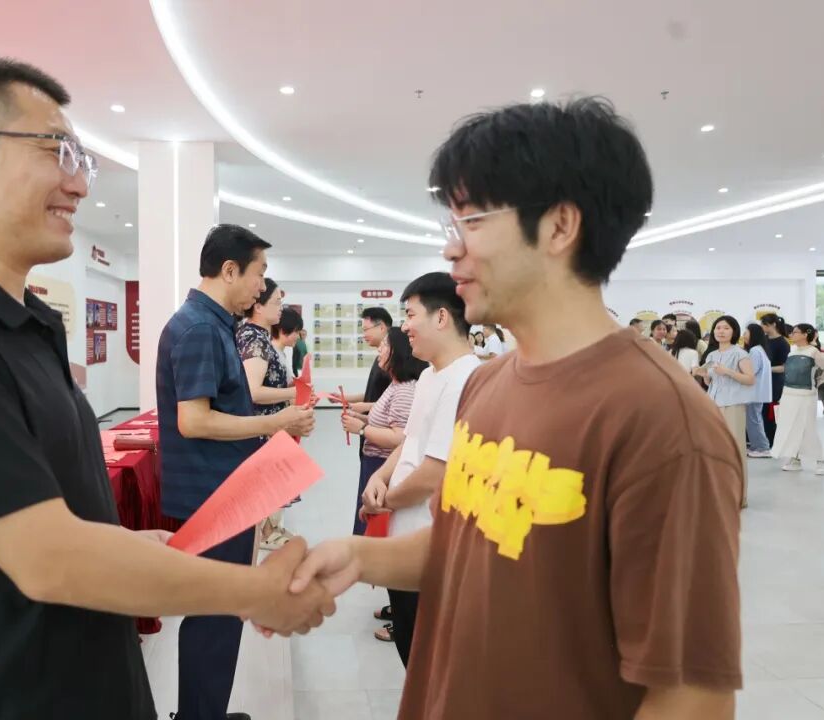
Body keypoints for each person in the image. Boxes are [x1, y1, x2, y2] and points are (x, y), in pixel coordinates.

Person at [0, 56, 332, 720]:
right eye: (55, 152)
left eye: (82, 161)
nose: (77, 183)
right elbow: (45, 558)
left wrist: (123, 542)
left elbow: (37, 510)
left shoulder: (22, 325)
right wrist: (253, 592)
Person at [291, 97, 742, 719]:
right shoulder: (487, 384)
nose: (451, 252)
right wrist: (359, 556)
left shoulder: (663, 423)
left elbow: (692, 694)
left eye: (472, 222)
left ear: (559, 226)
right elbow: (464, 544)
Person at [156, 224, 319, 720]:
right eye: (259, 274)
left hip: (224, 489)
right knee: (215, 615)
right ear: (229, 270)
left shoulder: (214, 324)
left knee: (221, 615)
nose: (262, 287)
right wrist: (277, 422)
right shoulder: (200, 328)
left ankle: (203, 711)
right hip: (214, 495)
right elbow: (194, 420)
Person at [358, 272, 481, 665]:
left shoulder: (466, 379)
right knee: (410, 645)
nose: (405, 327)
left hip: (431, 543)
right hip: (404, 535)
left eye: (411, 315)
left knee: (426, 657)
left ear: (441, 317)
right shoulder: (429, 375)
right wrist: (380, 476)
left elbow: (435, 472)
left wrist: (384, 500)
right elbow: (411, 441)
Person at [235, 280, 304, 550]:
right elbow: (252, 391)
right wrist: (293, 393)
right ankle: (265, 533)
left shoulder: (257, 336)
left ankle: (268, 530)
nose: (280, 308)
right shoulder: (254, 339)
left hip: (267, 426)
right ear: (258, 306)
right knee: (262, 488)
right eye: (277, 302)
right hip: (261, 428)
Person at [341, 327, 426, 538]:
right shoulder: (395, 384)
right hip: (374, 463)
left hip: (383, 466)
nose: (379, 349)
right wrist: (361, 418)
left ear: (398, 351)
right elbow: (385, 421)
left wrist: (362, 429)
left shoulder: (404, 390)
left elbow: (398, 438)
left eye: (385, 345)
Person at [694, 315, 755, 506]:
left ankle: (739, 496)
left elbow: (750, 379)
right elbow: (710, 381)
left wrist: (727, 371)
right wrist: (704, 374)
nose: (721, 331)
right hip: (713, 405)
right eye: (718, 327)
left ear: (734, 331)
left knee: (735, 449)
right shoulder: (711, 355)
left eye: (726, 328)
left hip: (733, 405)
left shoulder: (740, 353)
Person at [772, 323, 824, 475]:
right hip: (788, 394)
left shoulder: (813, 352)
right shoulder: (792, 351)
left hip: (806, 395)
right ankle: (795, 459)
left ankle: (820, 461)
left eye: (795, 332)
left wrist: (818, 381)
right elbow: (787, 370)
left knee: (808, 427)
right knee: (791, 427)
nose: (792, 335)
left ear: (805, 334)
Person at [337, 307, 393, 414]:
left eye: (366, 329)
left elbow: (394, 402)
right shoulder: (380, 358)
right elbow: (373, 395)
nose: (364, 335)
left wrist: (363, 410)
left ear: (381, 328)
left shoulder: (393, 361)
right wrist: (344, 398)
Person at [742, 323, 773, 458]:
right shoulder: (760, 349)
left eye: (746, 332)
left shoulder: (755, 351)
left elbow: (751, 371)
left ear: (753, 334)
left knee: (754, 420)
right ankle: (756, 446)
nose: (744, 335)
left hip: (754, 392)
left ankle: (762, 447)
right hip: (757, 391)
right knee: (754, 419)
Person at [761, 313, 791, 445]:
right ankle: (764, 440)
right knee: (761, 411)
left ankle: (774, 441)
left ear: (773, 324)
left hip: (775, 382)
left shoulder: (783, 343)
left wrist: (767, 368)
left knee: (771, 412)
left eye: (764, 324)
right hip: (762, 380)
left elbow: (784, 367)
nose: (762, 327)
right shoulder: (763, 340)